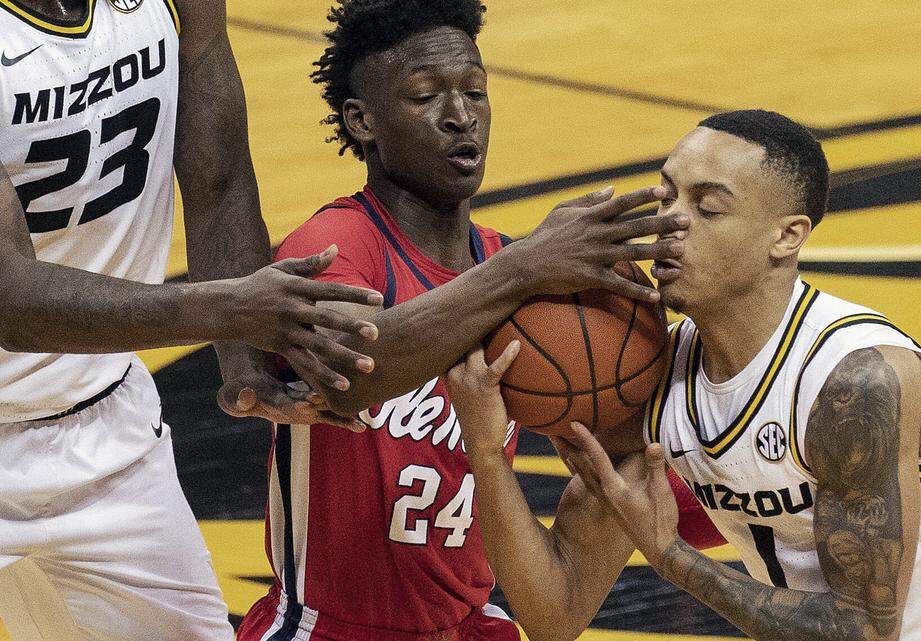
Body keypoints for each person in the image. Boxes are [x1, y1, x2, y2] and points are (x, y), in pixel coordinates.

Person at [446, 109, 921, 641]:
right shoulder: (649, 377)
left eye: (708, 207)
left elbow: (866, 631)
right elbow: (554, 616)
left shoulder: (855, 381)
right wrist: (488, 453)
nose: (672, 222)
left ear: (786, 238)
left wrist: (671, 556)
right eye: (667, 197)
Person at [234, 1, 688, 640]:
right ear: (361, 121)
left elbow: (556, 617)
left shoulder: (535, 284)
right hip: (324, 627)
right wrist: (523, 269)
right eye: (425, 96)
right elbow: (351, 377)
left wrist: (638, 394)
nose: (460, 115)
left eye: (476, 91)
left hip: (470, 626)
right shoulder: (336, 246)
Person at [0, 0, 388, 638]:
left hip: (104, 430)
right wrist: (233, 309)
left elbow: (221, 175)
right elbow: (14, 301)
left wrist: (242, 359)